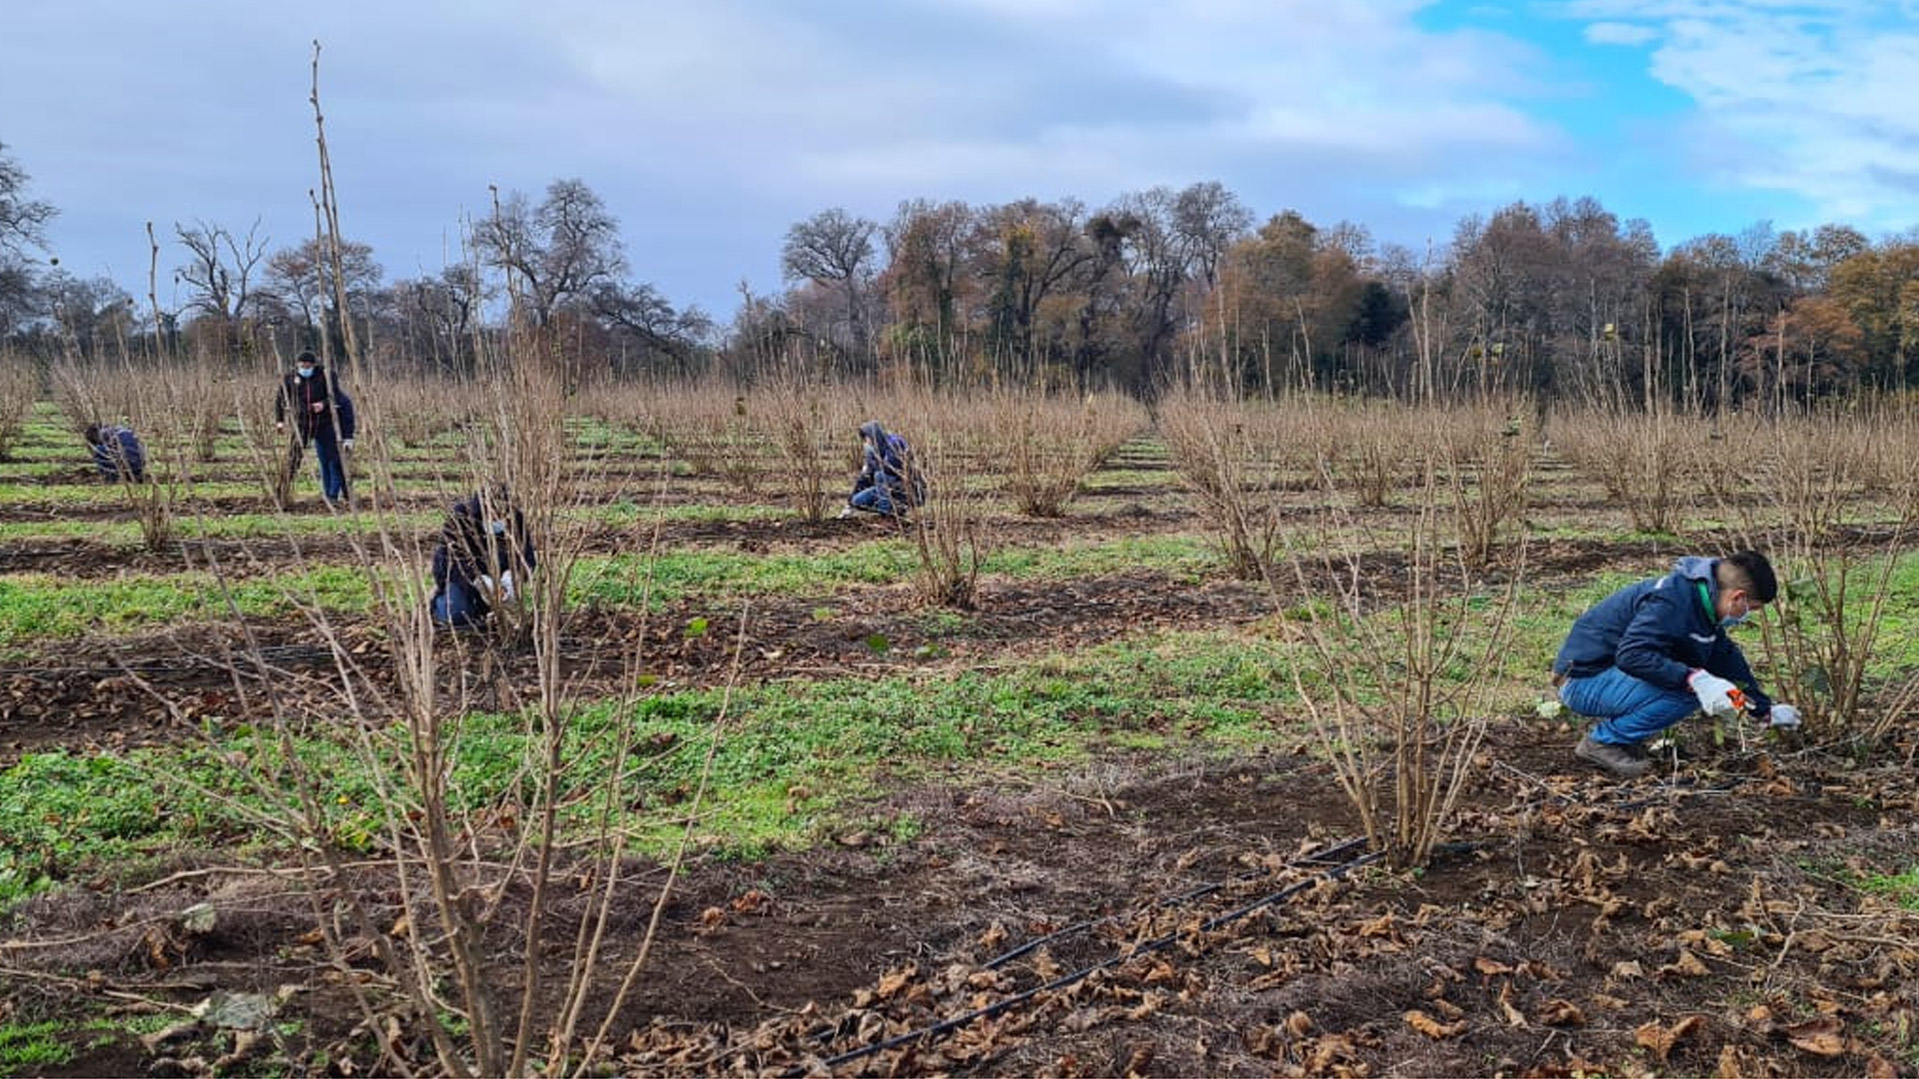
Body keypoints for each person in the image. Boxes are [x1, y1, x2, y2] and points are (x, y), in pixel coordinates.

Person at [1552, 551, 1801, 779]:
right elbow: (1632, 655)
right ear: (1737, 597)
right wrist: (1694, 679)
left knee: (1696, 680)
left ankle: (1624, 739)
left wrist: (1764, 710)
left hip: (1608, 677)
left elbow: (1727, 661)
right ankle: (1603, 742)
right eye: (1752, 608)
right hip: (1582, 681)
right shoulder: (1672, 602)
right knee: (1691, 690)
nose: (1748, 616)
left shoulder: (1702, 606)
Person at [429, 489, 538, 630]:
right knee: (456, 615)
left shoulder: (516, 518)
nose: (496, 519)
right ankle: (440, 602)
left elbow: (527, 557)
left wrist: (512, 576)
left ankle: (488, 610)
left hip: (501, 581)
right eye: (491, 514)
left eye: (501, 515)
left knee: (506, 614)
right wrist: (479, 580)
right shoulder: (461, 517)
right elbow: (449, 561)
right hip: (464, 580)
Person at [275, 349, 355, 502]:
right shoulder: (290, 378)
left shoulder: (326, 375)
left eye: (308, 366)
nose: (305, 369)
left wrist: (323, 404)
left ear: (314, 365)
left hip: (324, 422)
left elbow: (335, 396)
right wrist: (280, 421)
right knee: (293, 457)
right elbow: (280, 399)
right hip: (302, 423)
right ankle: (282, 492)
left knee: (335, 459)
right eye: (302, 366)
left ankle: (346, 494)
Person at [840, 419, 925, 519]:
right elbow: (865, 477)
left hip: (908, 488)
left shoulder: (895, 443)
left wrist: (875, 462)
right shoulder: (874, 451)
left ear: (874, 436)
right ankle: (896, 509)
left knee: (880, 476)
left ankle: (887, 515)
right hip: (887, 489)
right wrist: (850, 504)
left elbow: (892, 469)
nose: (867, 442)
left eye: (867, 439)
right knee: (857, 501)